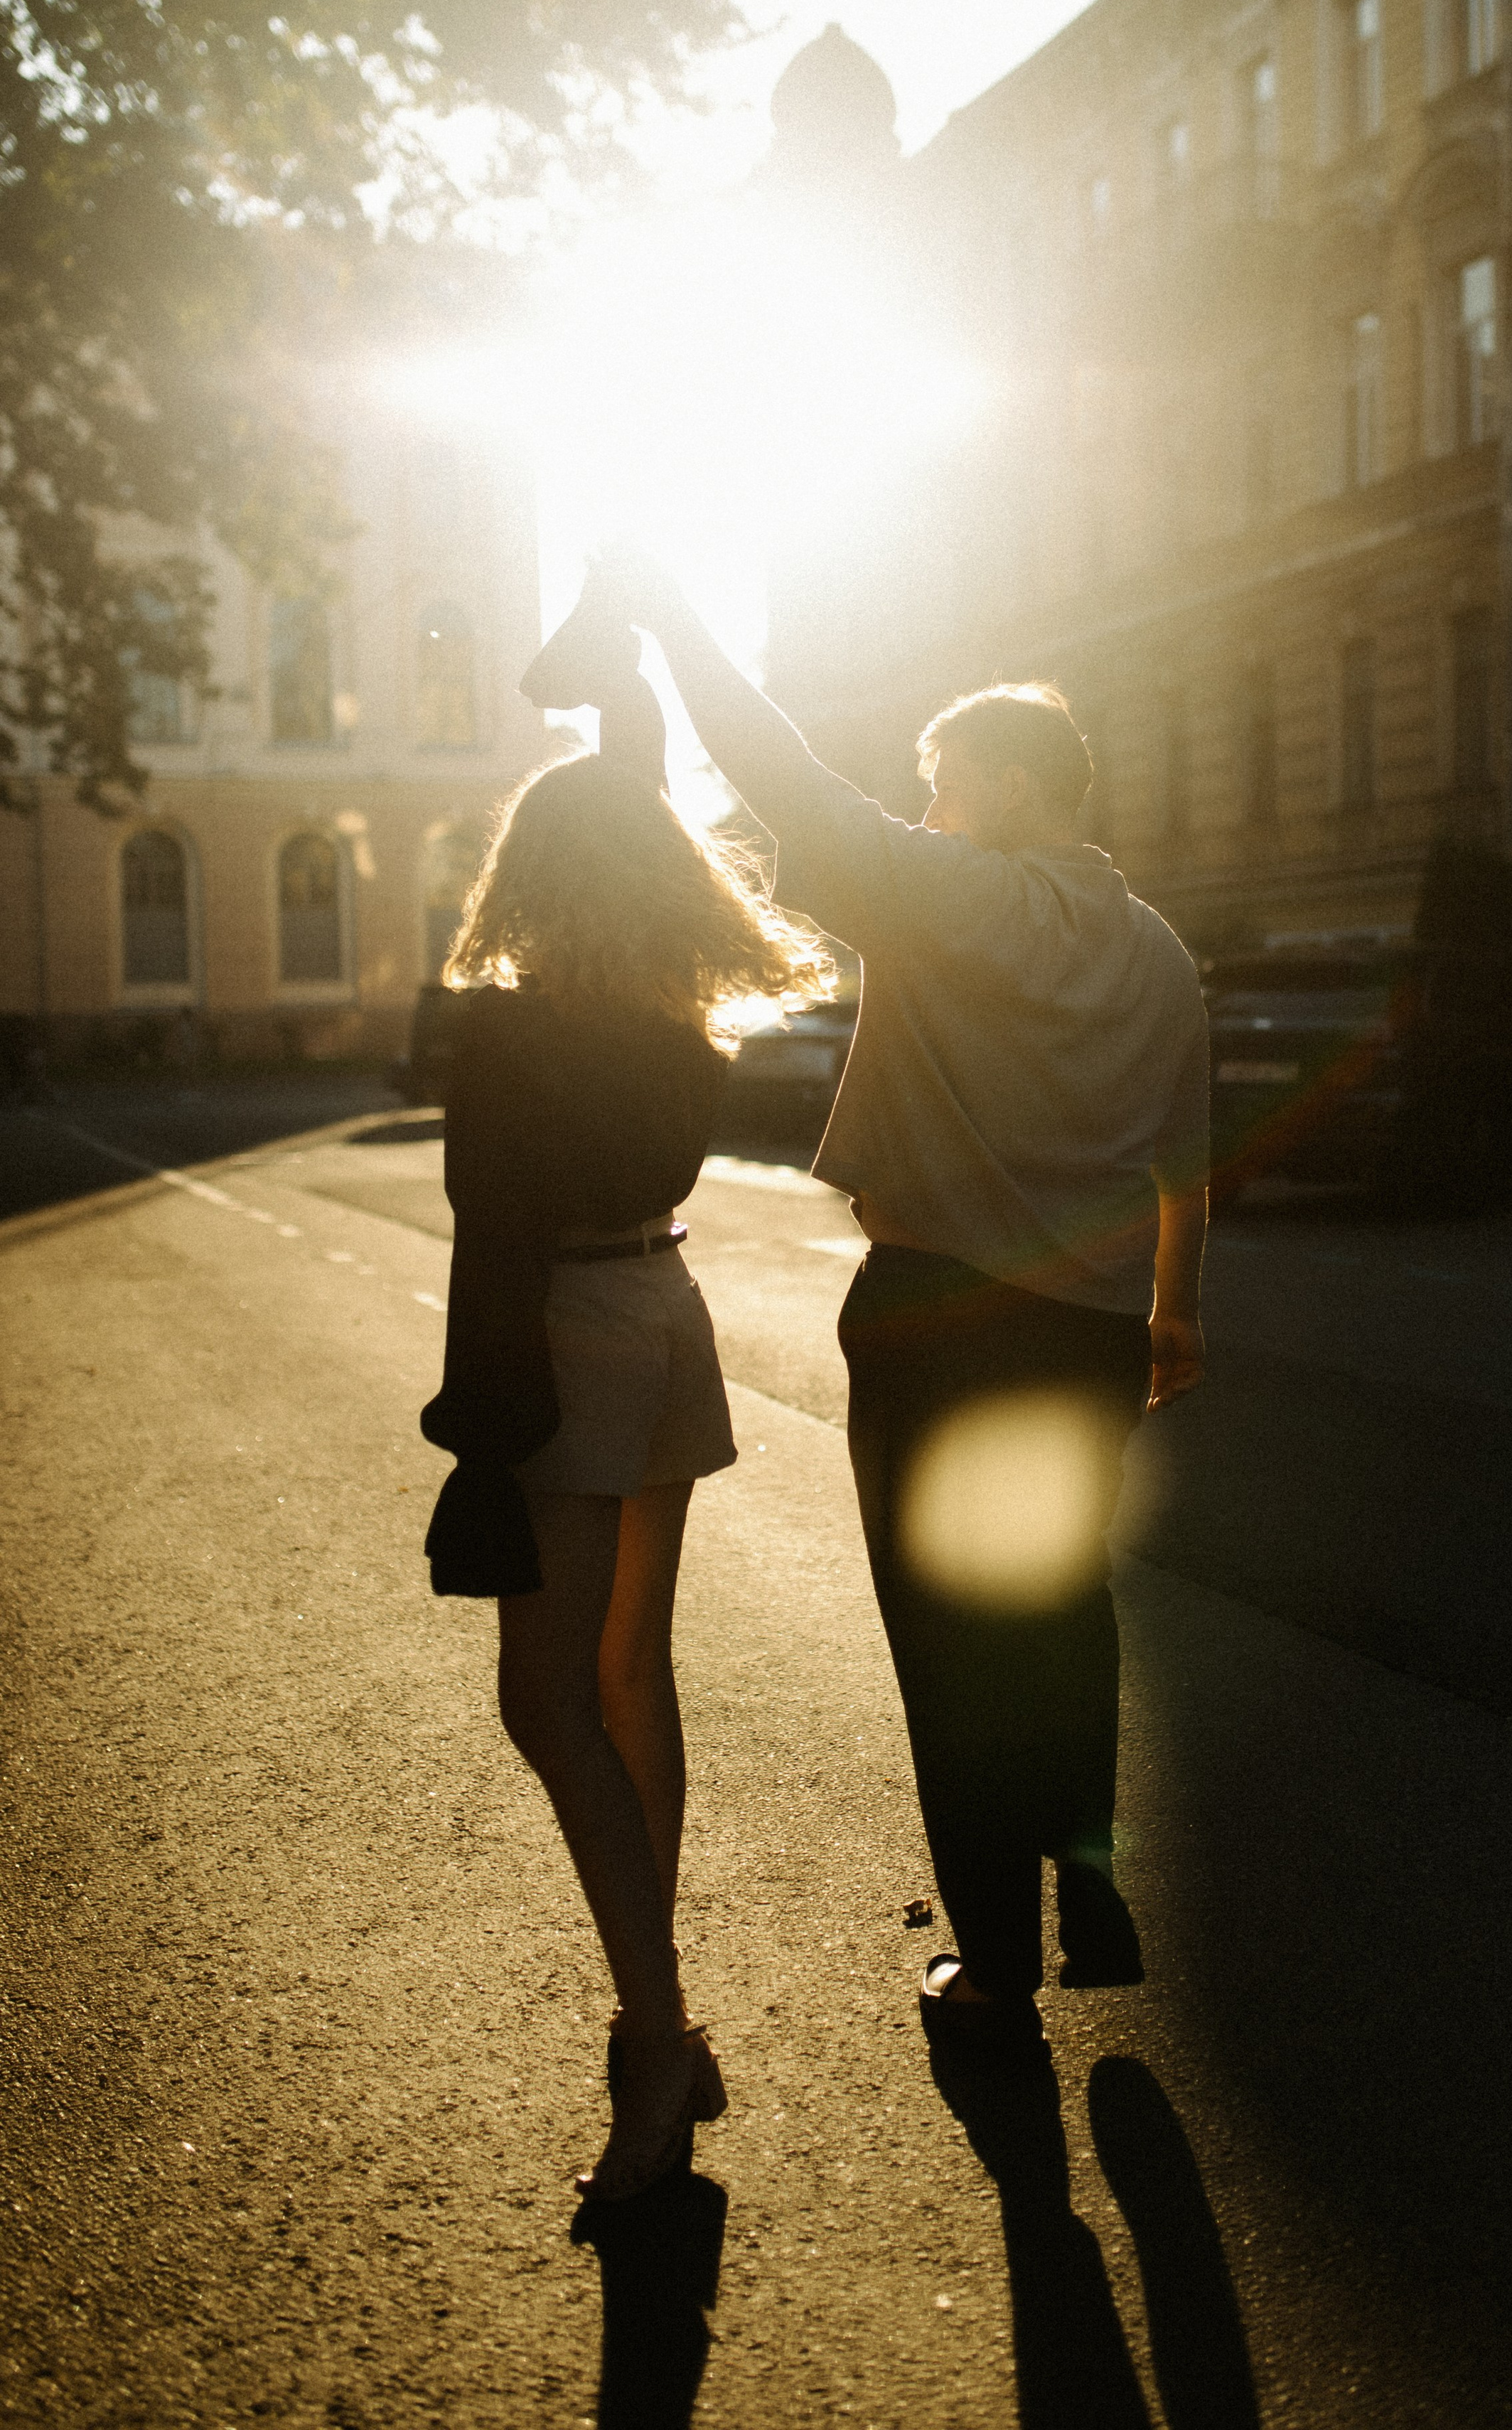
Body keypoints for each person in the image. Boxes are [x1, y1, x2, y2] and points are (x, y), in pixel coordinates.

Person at [525, 555, 1210, 2060]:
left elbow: (786, 781)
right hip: (1093, 1333)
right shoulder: (1160, 954)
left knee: (945, 1636)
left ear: (1017, 782)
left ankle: (995, 1963)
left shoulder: (955, 898)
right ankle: (1086, 1880)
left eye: (946, 776)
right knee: (1058, 1599)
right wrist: (1172, 1313)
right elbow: (1181, 1158)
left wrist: (679, 625)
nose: (931, 802)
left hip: (942, 1320)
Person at [418, 633, 832, 2192]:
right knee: (628, 1675)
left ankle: (654, 2031)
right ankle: (660, 2015)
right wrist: (621, 678)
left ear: (528, 871)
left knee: (545, 1702)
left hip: (569, 1331)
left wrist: (477, 1433)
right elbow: (633, 796)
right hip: (666, 1309)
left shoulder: (509, 1029)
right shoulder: (680, 1023)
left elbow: (490, 1236)